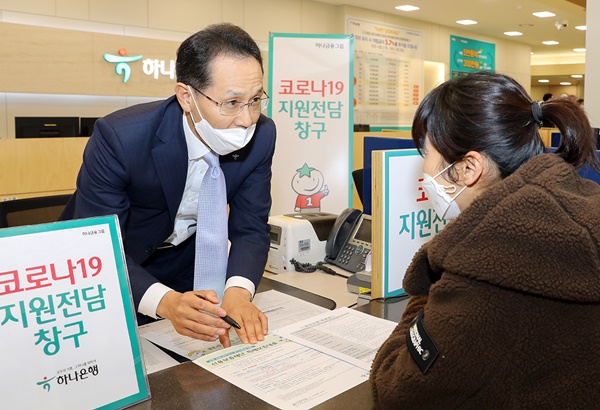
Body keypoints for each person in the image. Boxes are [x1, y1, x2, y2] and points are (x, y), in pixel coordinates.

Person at [370, 72, 600, 408]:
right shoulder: (579, 206)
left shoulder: (487, 272)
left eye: (428, 154)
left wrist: (427, 293)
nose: (423, 171)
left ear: (468, 169)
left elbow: (395, 390)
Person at [61, 23, 276, 348]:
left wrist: (237, 292)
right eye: (231, 103)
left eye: (256, 99)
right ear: (186, 97)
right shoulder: (121, 138)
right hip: (109, 269)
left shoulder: (262, 135)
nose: (247, 119)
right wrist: (165, 303)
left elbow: (251, 227)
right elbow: (96, 246)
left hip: (187, 264)